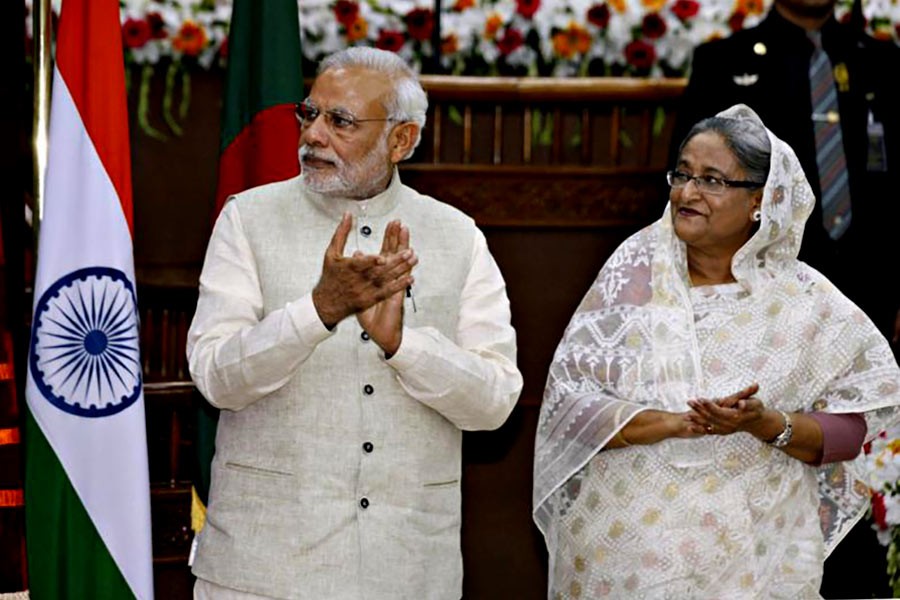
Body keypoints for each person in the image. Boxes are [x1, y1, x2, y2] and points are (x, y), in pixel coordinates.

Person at [186, 47, 523, 599]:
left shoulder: (457, 236)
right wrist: (317, 311)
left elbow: (495, 403)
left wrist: (402, 345)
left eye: (340, 121)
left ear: (401, 141)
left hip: (408, 572)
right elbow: (216, 376)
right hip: (266, 571)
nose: (313, 135)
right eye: (309, 114)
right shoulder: (248, 219)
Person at [533, 104, 900, 598]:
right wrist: (670, 423)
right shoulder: (635, 274)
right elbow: (568, 407)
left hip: (754, 557)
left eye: (712, 180)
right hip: (626, 557)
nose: (687, 192)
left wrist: (766, 423)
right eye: (682, 174)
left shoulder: (805, 300)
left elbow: (854, 431)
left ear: (759, 200)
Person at [671, 3, 900, 595]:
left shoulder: (882, 61)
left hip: (872, 295)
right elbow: (690, 199)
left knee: (862, 473)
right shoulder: (724, 63)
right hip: (758, 298)